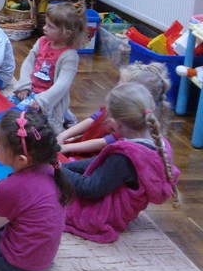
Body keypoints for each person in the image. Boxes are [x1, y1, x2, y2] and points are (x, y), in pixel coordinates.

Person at [0, 109, 73, 271]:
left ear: (21, 160)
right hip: (36, 254)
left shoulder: (12, 187)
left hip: (18, 262)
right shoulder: (49, 169)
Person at [62, 82, 180, 243]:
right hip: (121, 207)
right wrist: (63, 168)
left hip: (104, 214)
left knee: (47, 201)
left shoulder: (124, 157)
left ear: (116, 124)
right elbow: (98, 161)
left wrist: (57, 170)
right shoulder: (159, 142)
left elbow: (91, 188)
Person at [57, 61, 171, 158]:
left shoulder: (130, 125)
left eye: (121, 84)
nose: (115, 87)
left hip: (92, 158)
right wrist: (63, 135)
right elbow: (93, 118)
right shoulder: (116, 106)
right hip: (80, 146)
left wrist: (66, 148)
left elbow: (102, 143)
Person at [10, 2, 87, 135]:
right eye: (46, 24)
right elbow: (28, 62)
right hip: (31, 91)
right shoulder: (42, 41)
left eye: (50, 26)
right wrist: (24, 85)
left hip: (47, 98)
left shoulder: (69, 56)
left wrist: (41, 101)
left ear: (67, 33)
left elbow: (62, 84)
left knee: (19, 117)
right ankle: (67, 116)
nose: (44, 28)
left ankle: (65, 115)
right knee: (8, 105)